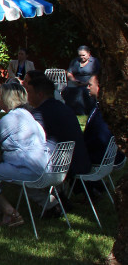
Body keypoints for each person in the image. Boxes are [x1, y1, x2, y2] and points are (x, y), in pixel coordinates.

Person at [0, 82, 49, 228]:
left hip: (25, 168)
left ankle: (8, 210)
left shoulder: (11, 119)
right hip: (42, 167)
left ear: (6, 99)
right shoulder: (27, 115)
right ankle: (0, 208)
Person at [24, 70, 91, 212]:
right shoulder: (64, 108)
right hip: (78, 160)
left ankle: (49, 203)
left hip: (62, 167)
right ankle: (59, 195)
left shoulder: (39, 114)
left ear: (40, 94)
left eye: (29, 92)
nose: (26, 95)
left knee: (20, 163)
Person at [64, 45, 101, 115]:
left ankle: (83, 112)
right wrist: (74, 80)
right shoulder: (75, 61)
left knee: (82, 91)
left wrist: (86, 83)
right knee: (67, 91)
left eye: (83, 55)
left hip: (89, 84)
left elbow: (95, 75)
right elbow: (69, 73)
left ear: (89, 53)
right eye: (80, 55)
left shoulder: (94, 61)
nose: (81, 57)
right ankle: (71, 111)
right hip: (75, 83)